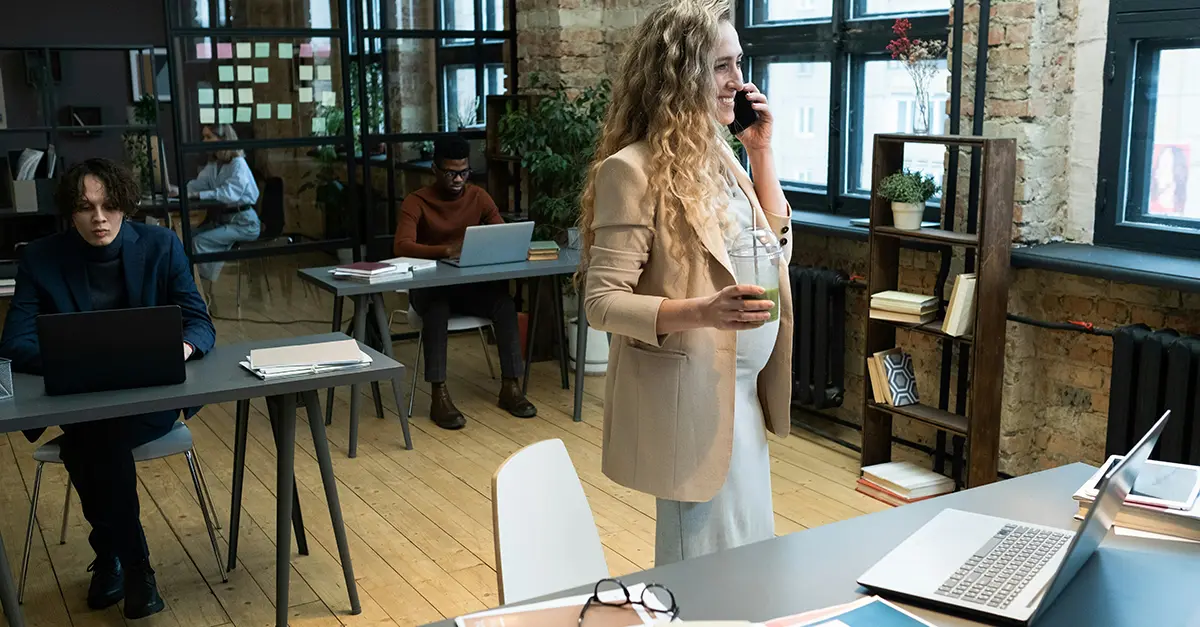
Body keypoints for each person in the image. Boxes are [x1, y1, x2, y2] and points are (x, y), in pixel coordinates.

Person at [578, 0, 793, 567]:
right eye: (721, 66)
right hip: (693, 398)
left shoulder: (722, 158)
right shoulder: (631, 170)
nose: (738, 82)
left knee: (748, 552)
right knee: (701, 562)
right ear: (680, 72)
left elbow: (773, 247)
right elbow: (602, 303)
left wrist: (762, 153)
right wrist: (702, 312)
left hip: (742, 394)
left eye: (740, 63)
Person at [0, 159, 216, 619]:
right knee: (95, 430)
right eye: (85, 208)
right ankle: (135, 563)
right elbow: (15, 342)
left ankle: (113, 557)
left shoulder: (161, 245)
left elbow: (199, 322)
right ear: (70, 212)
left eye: (108, 205)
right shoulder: (41, 258)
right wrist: (81, 358)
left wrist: (176, 349)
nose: (99, 218)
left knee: (92, 437)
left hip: (146, 400)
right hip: (80, 395)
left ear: (124, 205)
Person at [393, 135, 536, 429]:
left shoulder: (478, 197)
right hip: (429, 292)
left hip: (468, 288)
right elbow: (402, 246)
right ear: (434, 169)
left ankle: (511, 387)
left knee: (504, 304)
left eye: (464, 172)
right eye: (451, 173)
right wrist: (444, 251)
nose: (459, 179)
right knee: (437, 309)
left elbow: (501, 233)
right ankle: (439, 395)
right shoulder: (416, 201)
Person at [169, 123, 261, 307]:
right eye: (204, 137)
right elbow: (198, 185)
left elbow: (228, 193)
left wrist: (196, 195)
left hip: (244, 223)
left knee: (199, 242)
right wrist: (176, 190)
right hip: (225, 221)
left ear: (223, 139)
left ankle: (204, 293)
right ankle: (193, 290)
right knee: (185, 239)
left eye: (209, 137)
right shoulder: (214, 164)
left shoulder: (238, 164)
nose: (204, 141)